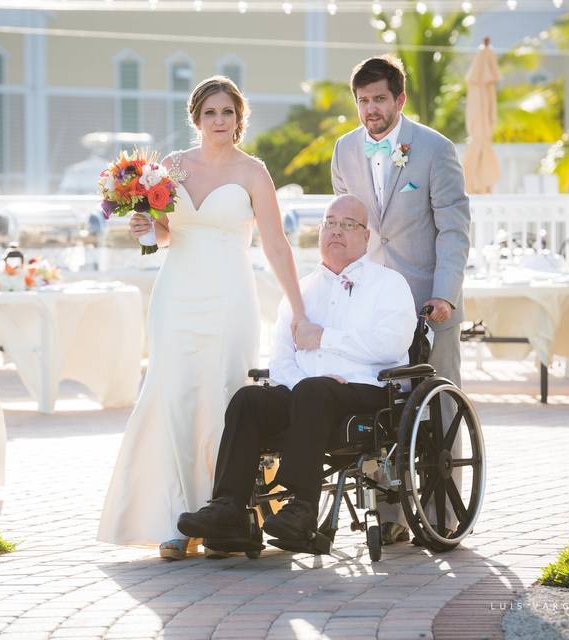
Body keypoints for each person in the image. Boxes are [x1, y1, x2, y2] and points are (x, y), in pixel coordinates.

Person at [97, 76, 307, 560]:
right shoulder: (171, 168)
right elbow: (167, 234)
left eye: (228, 113)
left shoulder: (254, 173)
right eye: (210, 113)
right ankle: (175, 522)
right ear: (196, 119)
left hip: (231, 298)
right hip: (177, 298)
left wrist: (298, 310)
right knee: (172, 398)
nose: (219, 121)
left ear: (239, 119)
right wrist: (146, 227)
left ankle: (226, 516)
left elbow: (275, 243)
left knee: (222, 400)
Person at [176, 195, 416, 547]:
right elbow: (282, 358)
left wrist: (325, 338)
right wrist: (303, 382)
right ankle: (229, 509)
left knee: (314, 392)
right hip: (305, 393)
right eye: (330, 223)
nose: (337, 231)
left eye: (349, 225)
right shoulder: (300, 290)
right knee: (248, 400)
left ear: (367, 238)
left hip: (366, 391)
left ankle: (302, 508)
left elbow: (391, 345)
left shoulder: (388, 284)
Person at [330, 55, 471, 544]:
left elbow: (454, 230)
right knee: (379, 407)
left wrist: (444, 295)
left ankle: (442, 515)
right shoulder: (344, 150)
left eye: (379, 99)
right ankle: (388, 520)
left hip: (428, 303)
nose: (370, 109)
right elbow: (348, 229)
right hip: (370, 305)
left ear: (400, 99)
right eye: (363, 101)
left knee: (437, 414)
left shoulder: (435, 149)